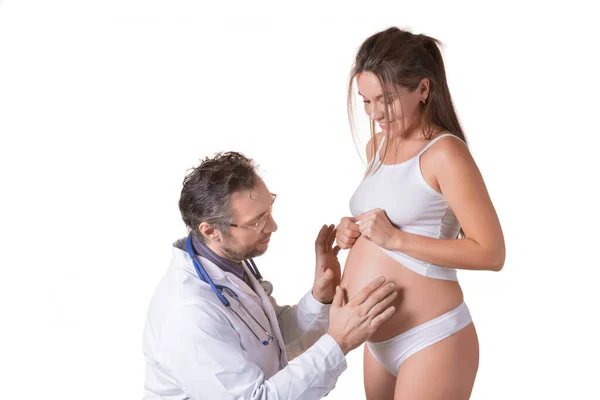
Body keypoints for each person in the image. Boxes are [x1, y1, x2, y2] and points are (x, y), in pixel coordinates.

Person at [142, 151, 398, 399]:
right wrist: (339, 342)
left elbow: (267, 337)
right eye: (256, 221)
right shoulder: (188, 313)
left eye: (269, 210)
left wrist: (320, 297)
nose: (273, 227)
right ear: (210, 231)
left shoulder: (224, 264)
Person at [336, 27, 506, 399]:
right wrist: (353, 230)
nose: (376, 113)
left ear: (423, 90)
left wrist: (395, 238)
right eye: (366, 101)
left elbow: (492, 253)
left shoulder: (445, 153)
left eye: (387, 99)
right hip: (376, 340)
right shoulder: (377, 144)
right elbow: (393, 214)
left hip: (432, 336)